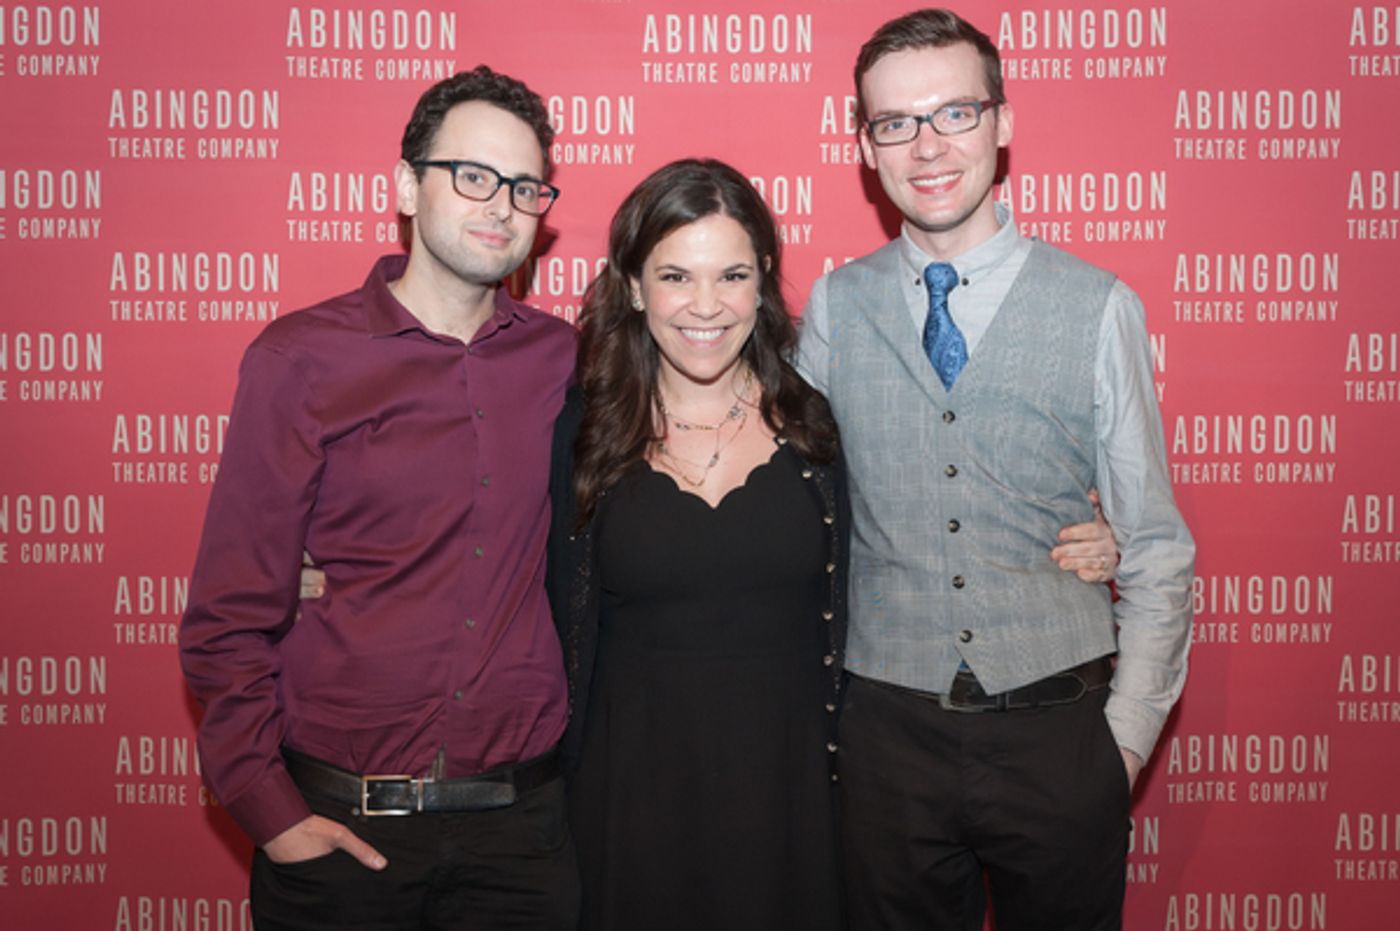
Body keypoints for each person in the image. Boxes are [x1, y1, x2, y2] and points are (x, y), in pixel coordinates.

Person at [796, 9, 1196, 930]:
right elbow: (795, 503)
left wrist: (1122, 745)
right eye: (895, 122)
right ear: (866, 146)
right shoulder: (833, 305)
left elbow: (1156, 546)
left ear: (1003, 123)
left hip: (1059, 733)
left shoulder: (1099, 306)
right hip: (885, 738)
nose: (927, 146)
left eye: (955, 114)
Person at [179, 66, 579, 930]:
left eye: (524, 187)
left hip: (524, 835)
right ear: (406, 185)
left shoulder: (569, 361)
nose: (500, 205)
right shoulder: (301, 360)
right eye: (471, 175)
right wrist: (268, 812)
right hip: (341, 832)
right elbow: (227, 614)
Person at [545, 158, 848, 931]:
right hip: (627, 805)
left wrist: (1084, 531)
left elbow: (925, 529)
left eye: (732, 275)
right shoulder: (579, 429)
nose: (705, 305)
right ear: (634, 286)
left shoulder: (820, 424)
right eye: (676, 276)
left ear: (764, 281)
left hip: (795, 801)